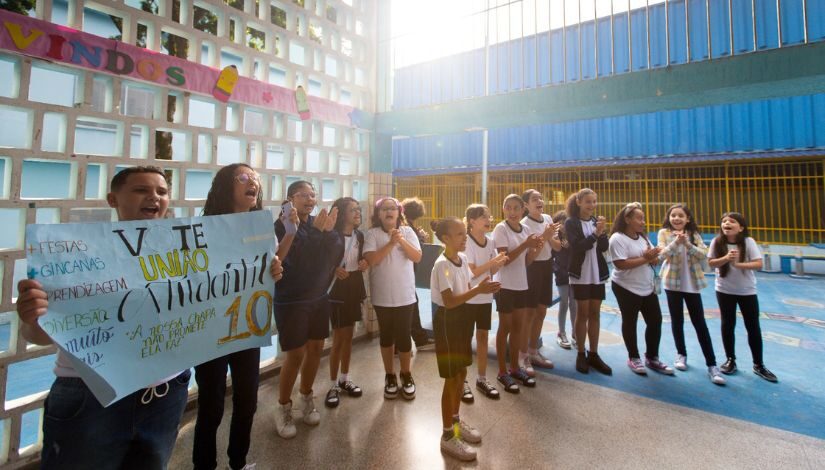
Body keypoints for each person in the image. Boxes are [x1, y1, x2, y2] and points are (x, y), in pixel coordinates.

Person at [16, 167, 191, 469]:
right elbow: (38, 336)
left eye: (161, 192)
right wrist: (32, 317)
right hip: (92, 397)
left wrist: (263, 273)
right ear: (113, 199)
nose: (154, 197)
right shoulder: (74, 257)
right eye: (141, 190)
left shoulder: (188, 251)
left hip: (165, 394)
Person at [192, 164, 284, 470]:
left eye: (255, 179)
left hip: (246, 326)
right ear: (224, 187)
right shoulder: (203, 229)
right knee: (212, 406)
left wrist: (275, 270)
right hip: (211, 329)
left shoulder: (261, 229)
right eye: (243, 178)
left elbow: (268, 268)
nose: (252, 182)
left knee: (247, 401)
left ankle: (238, 462)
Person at [273, 181, 344, 438]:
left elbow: (332, 253)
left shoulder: (318, 222)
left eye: (313, 194)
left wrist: (329, 232)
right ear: (290, 198)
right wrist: (317, 233)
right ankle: (283, 407)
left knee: (316, 348)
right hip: (292, 300)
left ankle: (306, 397)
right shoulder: (282, 226)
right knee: (295, 354)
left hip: (319, 298)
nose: (310, 199)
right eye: (304, 194)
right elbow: (292, 260)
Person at [430, 217, 501, 462]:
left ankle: (457, 424)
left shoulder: (459, 261)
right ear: (446, 239)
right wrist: (479, 290)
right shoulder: (443, 265)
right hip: (448, 322)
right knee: (451, 379)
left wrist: (485, 287)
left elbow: (468, 284)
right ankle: (447, 435)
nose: (465, 238)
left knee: (461, 374)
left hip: (462, 319)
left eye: (464, 233)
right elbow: (449, 301)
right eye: (460, 234)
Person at [658, 204, 725, 385]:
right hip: (672, 284)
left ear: (688, 218)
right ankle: (681, 354)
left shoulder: (693, 235)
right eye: (673, 215)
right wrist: (675, 243)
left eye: (681, 215)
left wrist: (687, 243)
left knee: (700, 323)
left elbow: (703, 255)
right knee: (677, 320)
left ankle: (712, 365)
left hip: (692, 284)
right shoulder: (664, 233)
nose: (676, 218)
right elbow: (661, 255)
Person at [363, 197, 422, 400]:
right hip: (382, 297)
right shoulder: (372, 234)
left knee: (404, 337)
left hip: (405, 295)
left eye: (393, 208)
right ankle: (390, 376)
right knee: (386, 336)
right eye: (384, 209)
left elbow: (417, 257)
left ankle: (406, 375)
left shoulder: (407, 231)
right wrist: (390, 243)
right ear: (378, 214)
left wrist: (401, 240)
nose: (389, 212)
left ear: (399, 213)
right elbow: (372, 260)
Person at [708, 212, 777, 383]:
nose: (727, 223)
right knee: (728, 324)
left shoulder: (748, 242)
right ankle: (730, 359)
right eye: (724, 221)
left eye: (732, 221)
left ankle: (758, 364)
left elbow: (758, 264)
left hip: (747, 291)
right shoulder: (718, 242)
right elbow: (710, 263)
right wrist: (725, 258)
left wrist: (739, 264)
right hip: (724, 290)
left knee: (752, 325)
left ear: (741, 227)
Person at [608, 202, 673, 376]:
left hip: (646, 286)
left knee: (655, 321)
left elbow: (652, 258)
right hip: (626, 287)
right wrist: (646, 258)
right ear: (627, 219)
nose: (643, 222)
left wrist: (653, 258)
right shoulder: (617, 238)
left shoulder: (642, 237)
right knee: (630, 321)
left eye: (643, 218)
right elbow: (620, 264)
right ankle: (633, 357)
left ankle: (652, 357)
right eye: (639, 218)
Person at [493, 194, 542, 392]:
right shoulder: (501, 228)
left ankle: (514, 368)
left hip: (521, 284)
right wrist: (525, 245)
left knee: (518, 328)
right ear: (503, 209)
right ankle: (502, 372)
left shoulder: (527, 229)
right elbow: (504, 260)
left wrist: (535, 249)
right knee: (505, 327)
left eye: (516, 208)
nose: (512, 212)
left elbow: (527, 261)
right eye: (508, 207)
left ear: (523, 210)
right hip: (504, 285)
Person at [459, 204, 508, 402]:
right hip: (469, 296)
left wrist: (498, 264)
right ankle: (462, 381)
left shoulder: (490, 242)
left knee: (482, 336)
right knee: (464, 339)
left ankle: (481, 378)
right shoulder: (467, 242)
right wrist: (492, 263)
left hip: (485, 296)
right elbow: (471, 273)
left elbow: (489, 271)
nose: (489, 220)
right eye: (483, 217)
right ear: (471, 220)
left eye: (489, 216)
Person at [325, 197, 369, 408]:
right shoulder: (331, 236)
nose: (357, 213)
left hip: (353, 286)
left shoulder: (359, 235)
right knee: (339, 339)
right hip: (337, 290)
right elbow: (321, 261)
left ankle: (345, 379)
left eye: (358, 209)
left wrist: (364, 262)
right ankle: (332, 384)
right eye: (353, 210)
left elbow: (363, 259)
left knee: (349, 337)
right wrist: (333, 269)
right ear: (342, 213)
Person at [564, 188, 612, 375]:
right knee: (582, 313)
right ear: (579, 202)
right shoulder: (571, 222)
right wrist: (595, 233)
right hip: (581, 273)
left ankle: (594, 353)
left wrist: (601, 233)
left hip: (596, 273)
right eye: (588, 202)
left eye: (594, 201)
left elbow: (604, 247)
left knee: (595, 313)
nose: (592, 205)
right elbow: (577, 247)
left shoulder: (595, 222)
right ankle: (581, 353)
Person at [520, 190, 561, 375]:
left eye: (540, 197)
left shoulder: (547, 218)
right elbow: (529, 258)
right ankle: (522, 355)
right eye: (534, 199)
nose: (539, 201)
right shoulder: (524, 225)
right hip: (532, 269)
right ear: (526, 205)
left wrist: (551, 236)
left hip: (546, 267)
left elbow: (557, 246)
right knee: (529, 313)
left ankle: (533, 351)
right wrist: (545, 236)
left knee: (542, 311)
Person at [401, 197, 436, 351]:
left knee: (410, 305)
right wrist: (421, 238)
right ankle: (419, 339)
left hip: (407, 272)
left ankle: (415, 339)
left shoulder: (406, 226)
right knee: (411, 305)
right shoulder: (407, 227)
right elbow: (415, 249)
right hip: (406, 272)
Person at [551, 211, 576, 350]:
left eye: (564, 222)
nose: (562, 226)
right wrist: (557, 269)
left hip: (574, 274)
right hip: (561, 274)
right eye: (559, 222)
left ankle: (575, 332)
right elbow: (551, 256)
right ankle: (562, 332)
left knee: (574, 304)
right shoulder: (555, 238)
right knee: (564, 303)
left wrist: (570, 247)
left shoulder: (573, 237)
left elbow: (579, 252)